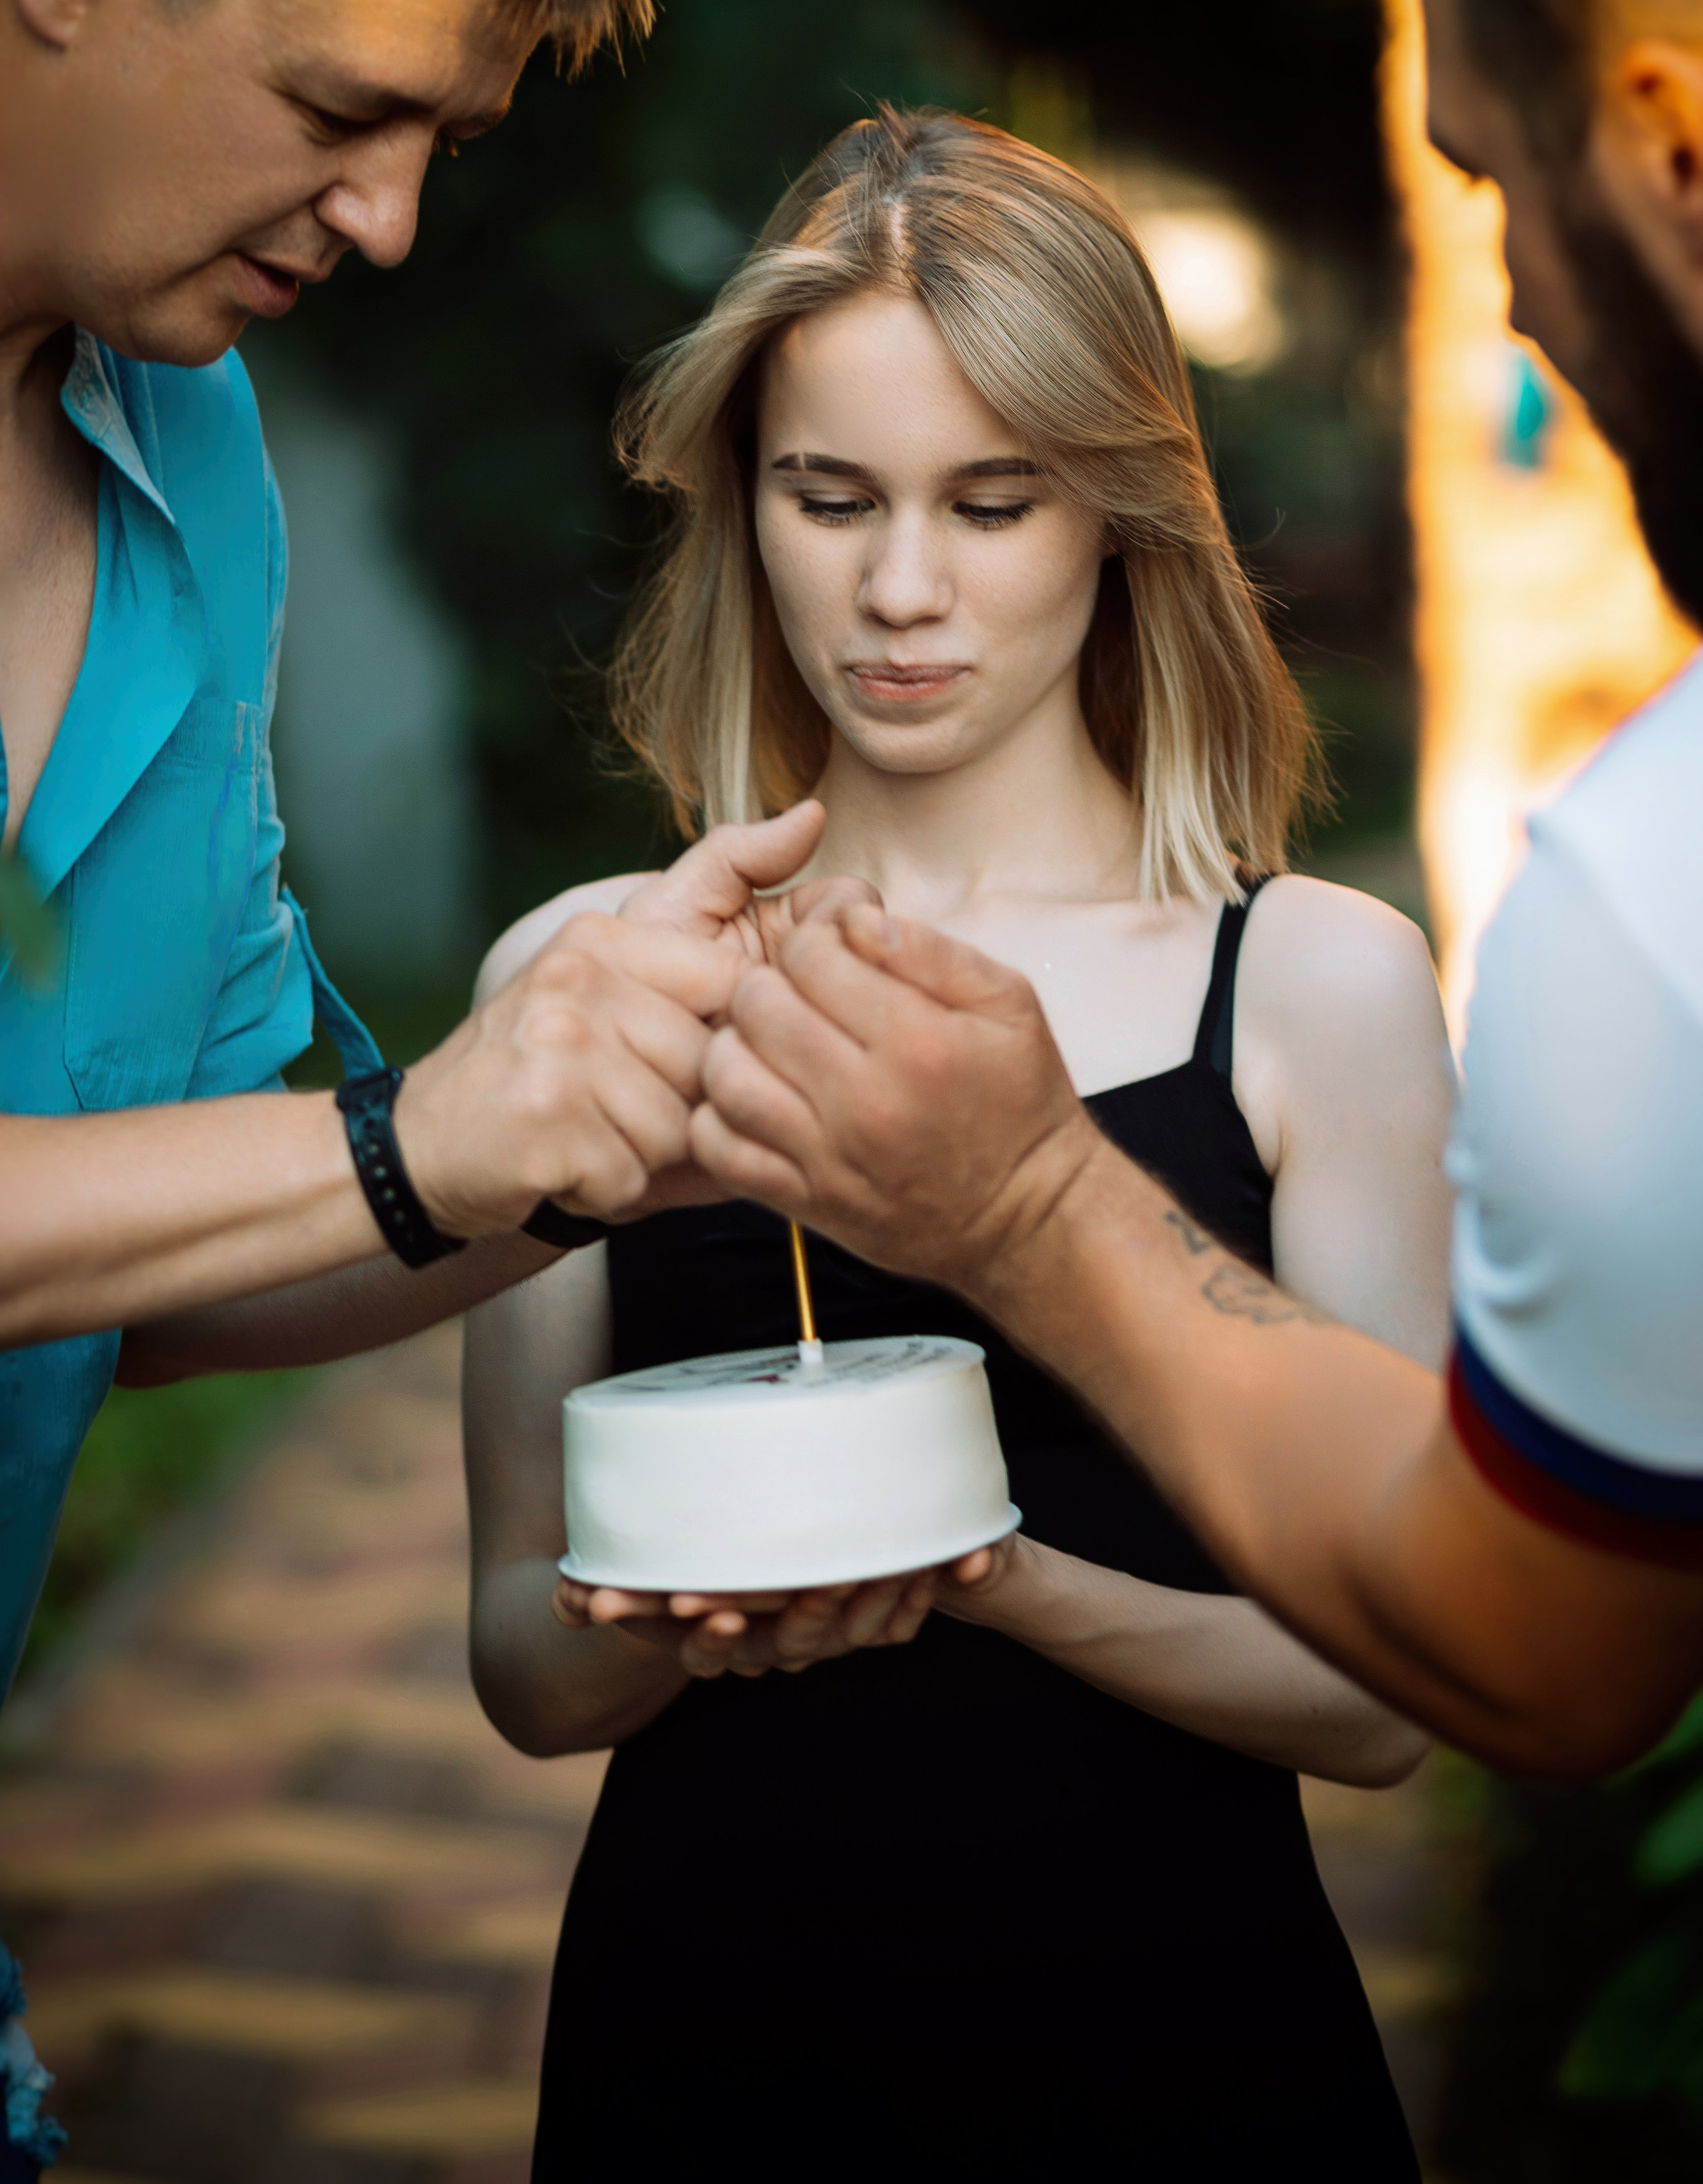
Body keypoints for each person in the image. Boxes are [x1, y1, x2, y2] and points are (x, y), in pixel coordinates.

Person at [689, 0, 1703, 1782]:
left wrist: (1034, 1209)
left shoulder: (1640, 908)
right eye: (831, 495)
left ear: (1670, 148)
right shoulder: (622, 977)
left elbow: (1523, 1659)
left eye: (1494, 180)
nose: (1511, 295)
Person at [0, 0, 831, 2163]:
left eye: (443, 143)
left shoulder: (193, 457)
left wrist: (618, 1112)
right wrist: (405, 1149)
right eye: (342, 108)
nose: (380, 221)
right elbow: (326, 1165)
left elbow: (158, 1255)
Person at [466, 108, 1457, 2180]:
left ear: (1119, 517)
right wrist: (680, 1600)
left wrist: (988, 1582)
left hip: (1186, 2042)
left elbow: (1382, 1701)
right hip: (706, 2036)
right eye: (832, 499)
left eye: (993, 506)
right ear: (746, 506)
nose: (901, 591)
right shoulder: (599, 971)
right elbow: (529, 1681)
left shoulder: (1312, 988)